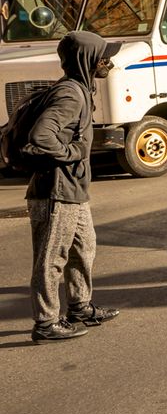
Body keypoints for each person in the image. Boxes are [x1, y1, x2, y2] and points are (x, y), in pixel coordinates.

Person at [26, 31, 122, 342]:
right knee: (52, 259)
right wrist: (72, 154)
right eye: (103, 55)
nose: (108, 61)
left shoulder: (81, 89)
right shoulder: (70, 94)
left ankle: (79, 307)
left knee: (84, 249)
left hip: (73, 191)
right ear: (88, 59)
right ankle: (45, 322)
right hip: (56, 191)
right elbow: (41, 135)